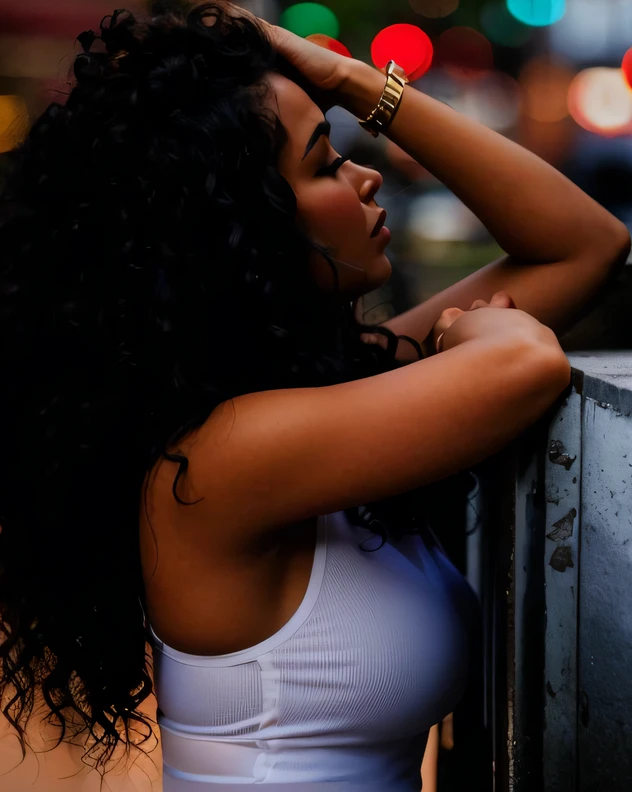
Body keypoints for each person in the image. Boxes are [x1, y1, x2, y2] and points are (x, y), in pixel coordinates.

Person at [0, 2, 628, 791]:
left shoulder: (303, 395)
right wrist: (477, 338)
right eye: (327, 163)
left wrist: (352, 79)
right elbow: (526, 364)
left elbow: (585, 246)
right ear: (239, 228)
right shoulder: (225, 455)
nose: (369, 174)